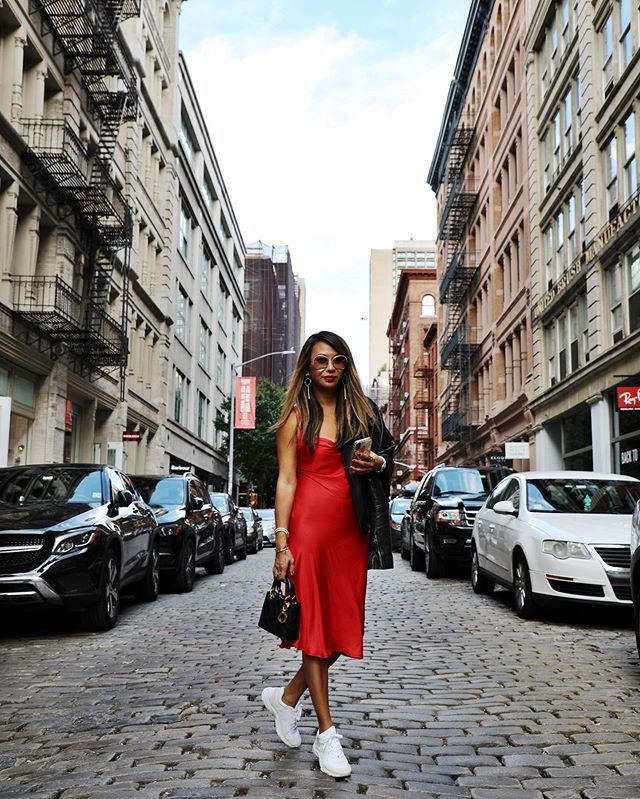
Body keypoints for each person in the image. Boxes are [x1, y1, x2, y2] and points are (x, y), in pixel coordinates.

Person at [261, 331, 395, 778]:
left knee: (340, 628)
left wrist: (378, 464)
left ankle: (286, 700)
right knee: (317, 629)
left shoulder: (365, 412)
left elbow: (388, 456)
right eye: (321, 360)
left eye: (338, 360)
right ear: (308, 366)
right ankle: (326, 734)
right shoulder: (295, 417)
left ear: (346, 365)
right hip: (310, 531)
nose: (330, 367)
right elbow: (286, 481)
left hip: (351, 533)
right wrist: (282, 543)